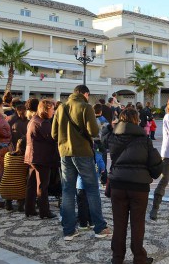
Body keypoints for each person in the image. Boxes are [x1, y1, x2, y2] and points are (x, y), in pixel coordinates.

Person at [102, 108, 163, 264]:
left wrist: (110, 126)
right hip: (139, 187)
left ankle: (117, 258)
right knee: (137, 224)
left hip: (118, 185)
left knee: (119, 223)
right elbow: (157, 166)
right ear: (137, 120)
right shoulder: (144, 139)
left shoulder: (113, 137)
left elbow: (102, 138)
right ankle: (139, 258)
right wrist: (149, 174)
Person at [52, 85, 111, 240]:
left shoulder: (61, 108)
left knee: (67, 191)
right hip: (83, 153)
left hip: (65, 153)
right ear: (85, 94)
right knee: (92, 189)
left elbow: (53, 133)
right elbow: (93, 132)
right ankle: (99, 227)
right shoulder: (86, 107)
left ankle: (69, 230)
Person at [24, 99, 59, 219]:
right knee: (42, 185)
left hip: (32, 156)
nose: (53, 112)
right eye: (52, 109)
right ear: (46, 109)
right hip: (41, 157)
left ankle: (29, 209)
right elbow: (52, 138)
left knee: (32, 183)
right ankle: (44, 212)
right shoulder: (43, 123)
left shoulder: (33, 119)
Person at [0, 137, 27, 211]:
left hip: (4, 188)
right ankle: (21, 204)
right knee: (25, 181)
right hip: (20, 190)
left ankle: (8, 203)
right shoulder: (25, 158)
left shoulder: (7, 155)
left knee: (11, 177)